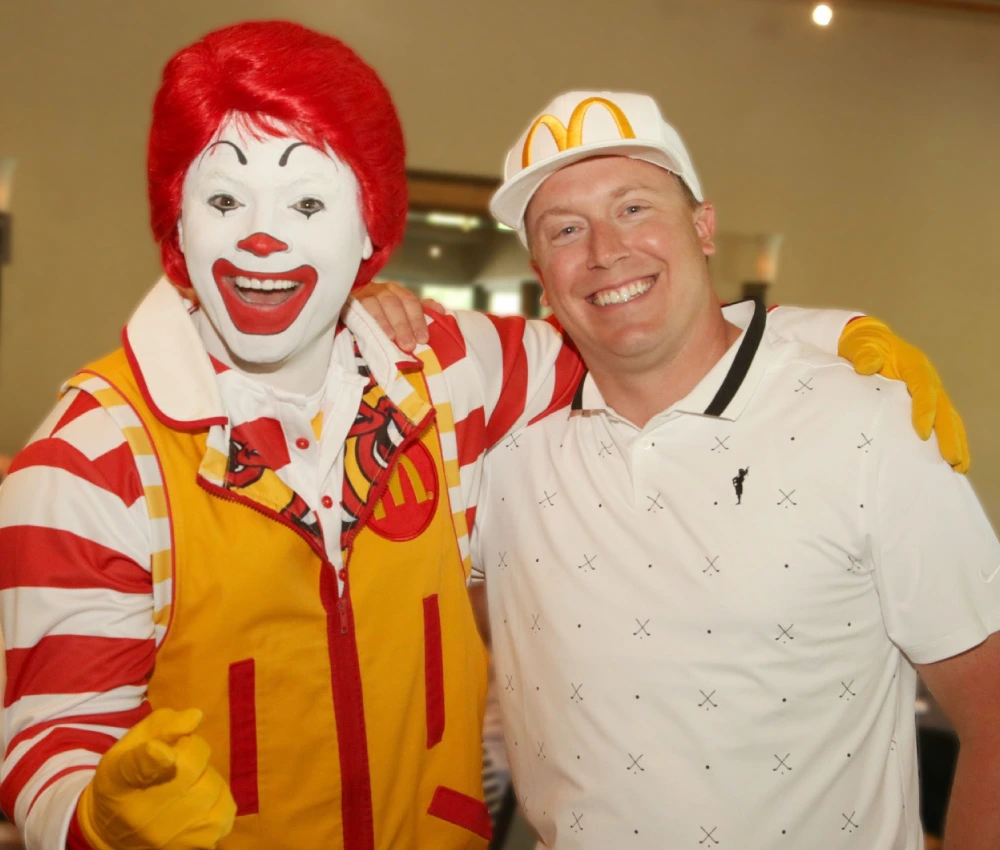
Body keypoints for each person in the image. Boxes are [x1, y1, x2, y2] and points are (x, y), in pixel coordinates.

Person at [360, 91, 998, 849]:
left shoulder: (869, 424)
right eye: (566, 229)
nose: (603, 250)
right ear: (541, 271)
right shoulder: (503, 450)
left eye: (634, 208)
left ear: (702, 227)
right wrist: (352, 321)